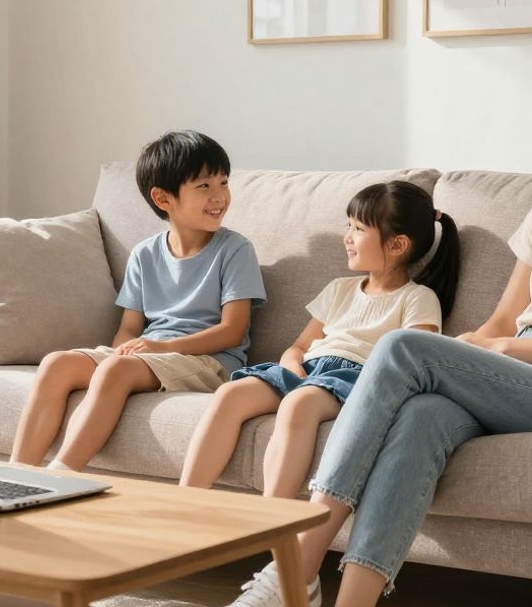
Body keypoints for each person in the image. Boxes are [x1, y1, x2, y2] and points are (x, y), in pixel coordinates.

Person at [228, 39, 532, 607]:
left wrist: (501, 351)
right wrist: (473, 347)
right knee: (422, 415)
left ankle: (293, 573)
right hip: (516, 371)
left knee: (403, 347)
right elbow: (505, 318)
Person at [179, 180, 460, 511]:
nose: (347, 237)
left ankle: (272, 519)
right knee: (229, 394)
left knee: (298, 405)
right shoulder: (339, 289)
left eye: (358, 229)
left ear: (397, 244)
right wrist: (291, 362)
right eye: (348, 226)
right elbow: (298, 346)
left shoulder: (418, 298)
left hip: (357, 378)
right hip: (308, 369)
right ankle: (184, 504)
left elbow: (415, 361)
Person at [9, 130, 266, 471]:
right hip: (151, 355)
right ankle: (19, 474)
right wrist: (125, 351)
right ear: (163, 198)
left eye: (223, 183)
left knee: (116, 369)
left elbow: (232, 331)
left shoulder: (235, 250)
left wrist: (159, 349)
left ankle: (64, 473)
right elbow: (129, 329)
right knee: (57, 364)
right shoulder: (144, 254)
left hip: (210, 362)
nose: (219, 196)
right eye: (204, 186)